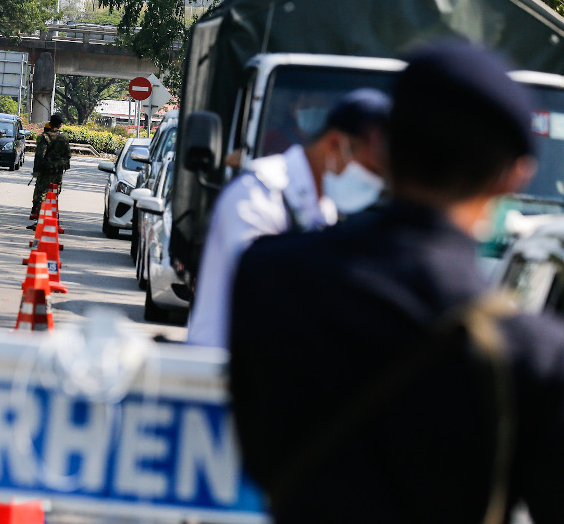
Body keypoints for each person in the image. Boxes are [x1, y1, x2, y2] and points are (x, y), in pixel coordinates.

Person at [230, 42, 564, 523]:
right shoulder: (530, 355)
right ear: (513, 176)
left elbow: (256, 453)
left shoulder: (270, 278)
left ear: (383, 148)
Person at [186, 89, 390, 348]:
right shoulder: (258, 194)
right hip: (222, 371)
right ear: (337, 145)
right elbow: (264, 293)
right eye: (371, 170)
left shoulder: (324, 206)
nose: (374, 183)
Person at [29, 113, 71, 220]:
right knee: (54, 192)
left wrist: (36, 170)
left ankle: (40, 218)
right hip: (58, 171)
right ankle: (50, 216)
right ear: (60, 125)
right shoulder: (64, 137)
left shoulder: (44, 137)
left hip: (45, 170)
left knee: (42, 193)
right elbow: (68, 155)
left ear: (50, 124)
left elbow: (39, 155)